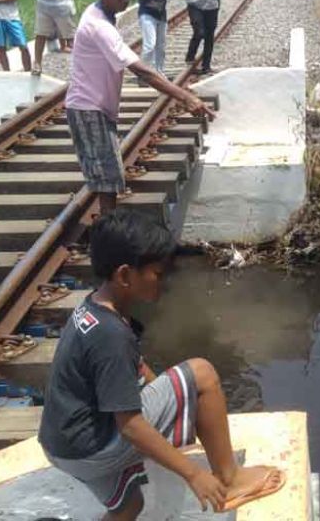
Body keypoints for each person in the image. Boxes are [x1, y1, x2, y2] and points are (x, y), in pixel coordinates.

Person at [38, 210, 286, 519]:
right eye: (157, 273)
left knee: (130, 507)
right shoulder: (111, 336)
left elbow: (136, 367)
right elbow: (129, 425)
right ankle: (230, 479)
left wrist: (172, 404)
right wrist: (193, 474)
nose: (164, 280)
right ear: (125, 275)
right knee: (202, 373)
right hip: (94, 446)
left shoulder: (92, 308)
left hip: (62, 446)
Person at [65, 0, 214, 216]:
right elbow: (143, 71)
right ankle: (108, 233)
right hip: (88, 108)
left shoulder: (100, 13)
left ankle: (108, 227)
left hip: (96, 107)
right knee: (108, 179)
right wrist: (185, 97)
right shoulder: (99, 27)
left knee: (108, 177)